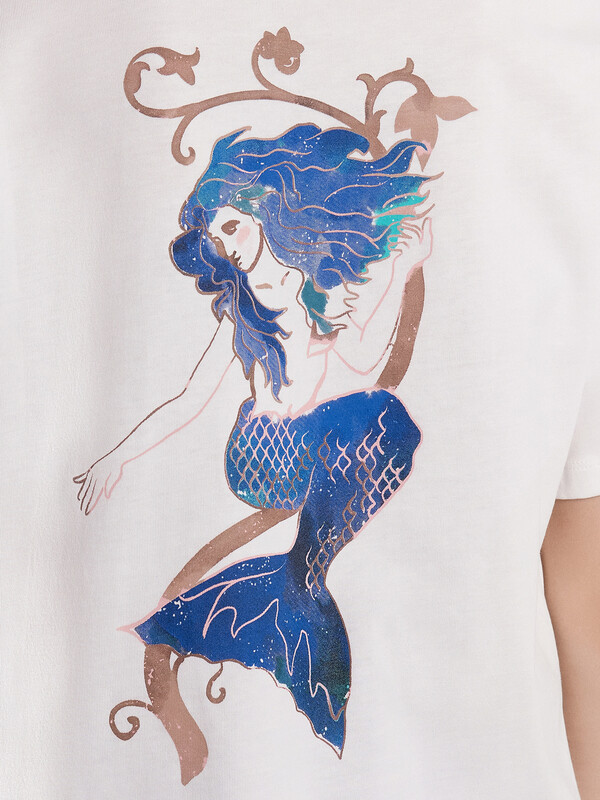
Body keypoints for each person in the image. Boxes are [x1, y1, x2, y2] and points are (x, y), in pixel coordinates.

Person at [73, 124, 434, 784]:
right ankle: (296, 593)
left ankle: (296, 591)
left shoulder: (315, 286)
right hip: (263, 456)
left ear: (269, 213)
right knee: (369, 424)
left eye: (234, 226)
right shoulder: (241, 310)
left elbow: (364, 364)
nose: (227, 245)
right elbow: (190, 398)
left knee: (382, 420)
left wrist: (403, 266)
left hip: (320, 446)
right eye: (217, 235)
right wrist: (116, 457)